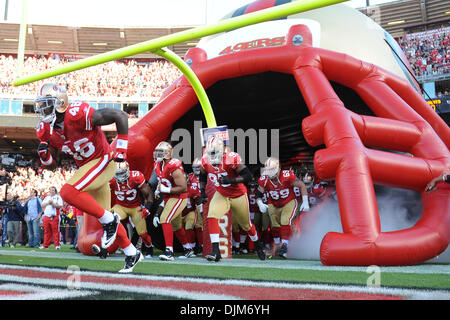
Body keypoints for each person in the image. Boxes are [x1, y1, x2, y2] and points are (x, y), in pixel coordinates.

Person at [34, 82, 142, 273]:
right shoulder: (45, 128)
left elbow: (120, 115)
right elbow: (52, 164)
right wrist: (44, 156)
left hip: (103, 160)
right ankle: (131, 252)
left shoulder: (77, 113)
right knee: (106, 217)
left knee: (67, 192)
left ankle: (110, 220)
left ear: (60, 102)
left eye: (47, 104)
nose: (43, 109)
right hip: (88, 167)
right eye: (41, 105)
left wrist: (122, 149)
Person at [198, 136, 266, 262]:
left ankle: (257, 244)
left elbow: (248, 176)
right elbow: (202, 175)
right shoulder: (205, 160)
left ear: (223, 150)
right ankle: (216, 251)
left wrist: (230, 180)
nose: (212, 156)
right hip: (222, 194)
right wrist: (202, 191)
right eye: (210, 152)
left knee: (246, 225)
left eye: (215, 152)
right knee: (212, 216)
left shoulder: (230, 159)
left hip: (237, 195)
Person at [255, 157, 310, 259]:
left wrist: (305, 201)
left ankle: (285, 246)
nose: (271, 173)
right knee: (274, 225)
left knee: (285, 221)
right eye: (269, 170)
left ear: (278, 168)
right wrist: (260, 203)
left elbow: (301, 185)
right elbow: (258, 193)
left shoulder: (287, 175)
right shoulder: (264, 179)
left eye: (272, 170)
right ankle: (277, 244)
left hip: (288, 201)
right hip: (273, 203)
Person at [152, 141, 194, 261]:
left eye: (161, 152)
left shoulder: (173, 165)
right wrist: (157, 189)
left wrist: (166, 189)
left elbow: (183, 187)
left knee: (165, 219)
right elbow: (162, 180)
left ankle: (169, 252)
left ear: (168, 154)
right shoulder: (157, 165)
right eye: (157, 152)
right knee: (175, 225)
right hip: (169, 198)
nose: (157, 154)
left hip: (179, 197)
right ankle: (188, 249)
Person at [109, 161, 155, 258]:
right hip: (120, 206)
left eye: (122, 173)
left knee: (142, 234)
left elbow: (149, 193)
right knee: (110, 219)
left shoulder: (136, 177)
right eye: (118, 174)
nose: (120, 176)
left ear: (127, 171)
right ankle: (105, 247)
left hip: (135, 207)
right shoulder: (111, 180)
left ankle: (149, 247)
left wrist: (147, 208)